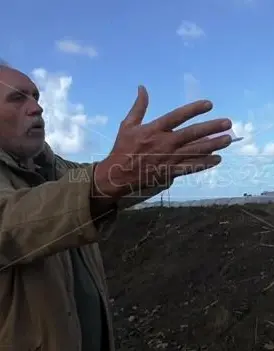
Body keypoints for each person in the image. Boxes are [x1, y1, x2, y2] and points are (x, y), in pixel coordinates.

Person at [0, 64, 232, 350]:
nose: (37, 107)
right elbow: (12, 222)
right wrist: (108, 179)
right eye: (17, 98)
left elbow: (105, 184)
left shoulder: (55, 168)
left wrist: (159, 163)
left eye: (36, 97)